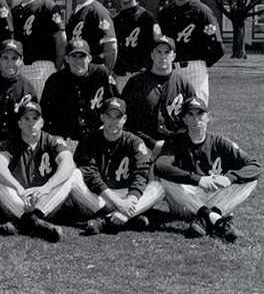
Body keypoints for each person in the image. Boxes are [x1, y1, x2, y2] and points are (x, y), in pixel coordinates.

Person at [154, 97, 261, 241]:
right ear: (184, 120)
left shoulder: (219, 141)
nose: (195, 119)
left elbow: (255, 166)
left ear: (208, 117)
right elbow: (160, 167)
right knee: (164, 179)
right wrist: (198, 180)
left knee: (250, 181)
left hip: (213, 198)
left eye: (200, 114)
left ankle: (207, 217)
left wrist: (229, 178)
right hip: (185, 201)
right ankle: (217, 220)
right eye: (190, 115)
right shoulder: (175, 142)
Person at [71, 97, 165, 234]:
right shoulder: (88, 141)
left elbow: (141, 174)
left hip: (125, 194)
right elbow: (91, 177)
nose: (114, 121)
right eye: (109, 116)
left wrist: (130, 200)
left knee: (158, 188)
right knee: (74, 176)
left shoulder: (135, 142)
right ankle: (126, 217)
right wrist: (119, 204)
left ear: (125, 119)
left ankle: (105, 221)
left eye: (118, 117)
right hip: (97, 197)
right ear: (102, 117)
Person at [0, 101, 74, 242]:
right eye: (26, 118)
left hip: (44, 199)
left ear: (42, 123)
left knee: (71, 176)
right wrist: (18, 188)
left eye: (35, 119)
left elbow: (68, 164)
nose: (31, 123)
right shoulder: (9, 144)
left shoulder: (51, 141)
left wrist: (47, 187)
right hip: (18, 199)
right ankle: (37, 223)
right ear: (19, 123)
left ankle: (26, 222)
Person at [157, 0, 224, 104]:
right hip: (170, 70)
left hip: (195, 70)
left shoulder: (202, 11)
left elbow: (217, 47)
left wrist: (201, 64)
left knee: (195, 111)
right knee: (171, 115)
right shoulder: (164, 14)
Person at [122, 35, 196, 157]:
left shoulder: (184, 86)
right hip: (141, 146)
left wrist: (170, 145)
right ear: (152, 55)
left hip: (174, 149)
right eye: (159, 52)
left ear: (174, 56)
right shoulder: (135, 83)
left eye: (167, 52)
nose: (163, 56)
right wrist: (151, 143)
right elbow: (128, 121)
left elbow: (191, 121)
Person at [41, 38, 118, 150]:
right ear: (66, 59)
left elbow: (115, 104)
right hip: (67, 142)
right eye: (74, 56)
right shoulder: (55, 81)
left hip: (97, 140)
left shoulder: (101, 74)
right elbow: (45, 115)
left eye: (82, 56)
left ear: (89, 58)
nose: (78, 61)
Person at [11, 0, 66, 100]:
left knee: (43, 111)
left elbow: (62, 42)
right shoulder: (15, 11)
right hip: (20, 67)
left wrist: (55, 67)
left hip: (41, 67)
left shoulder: (48, 7)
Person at [112, 0, 159, 93]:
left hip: (141, 77)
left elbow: (156, 49)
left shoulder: (147, 19)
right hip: (120, 78)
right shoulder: (115, 21)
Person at [65, 0, 117, 71]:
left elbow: (111, 47)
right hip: (77, 70)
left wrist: (106, 72)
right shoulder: (75, 12)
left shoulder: (98, 11)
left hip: (93, 69)